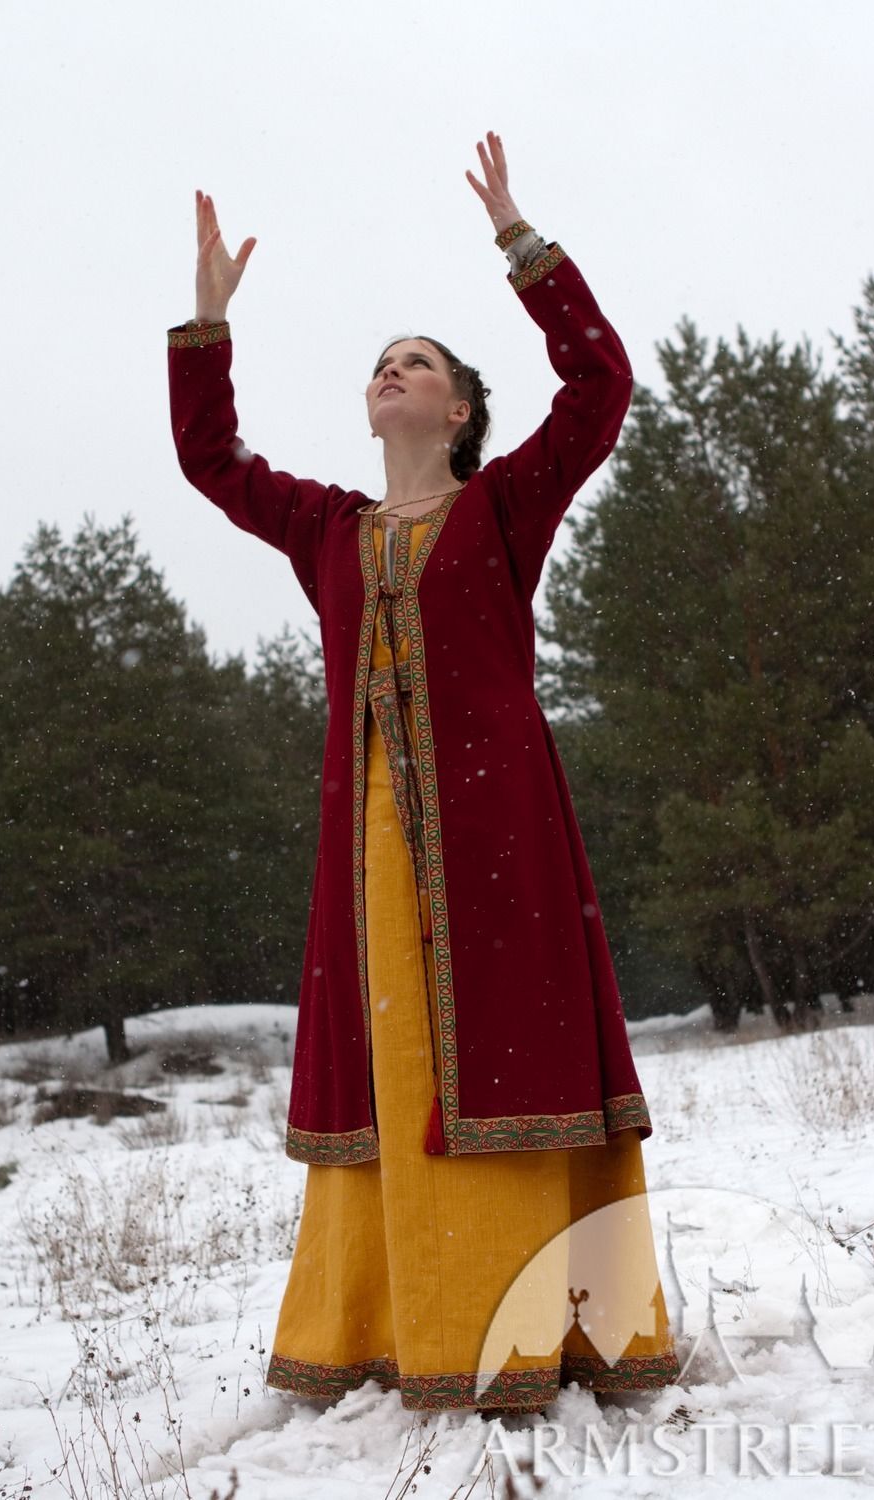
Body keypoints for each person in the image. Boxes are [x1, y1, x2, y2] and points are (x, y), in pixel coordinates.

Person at [167, 133, 681, 1416]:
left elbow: (600, 386)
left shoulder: (506, 505)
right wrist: (207, 324)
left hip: (501, 826)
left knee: (511, 1051)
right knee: (395, 1060)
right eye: (381, 361)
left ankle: (536, 1327)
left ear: (457, 411)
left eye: (420, 363)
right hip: (374, 841)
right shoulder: (329, 531)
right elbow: (212, 462)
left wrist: (523, 247)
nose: (392, 370)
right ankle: (404, 1320)